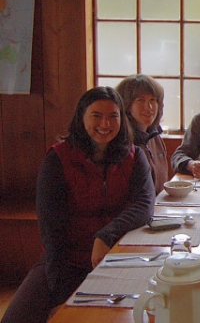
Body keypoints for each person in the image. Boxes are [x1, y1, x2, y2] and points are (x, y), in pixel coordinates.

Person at [2, 87, 155, 323]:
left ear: (121, 120)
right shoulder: (57, 159)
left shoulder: (134, 156)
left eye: (113, 116)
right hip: (65, 260)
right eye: (96, 115)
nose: (105, 123)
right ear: (81, 117)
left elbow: (144, 204)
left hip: (116, 258)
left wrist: (105, 235)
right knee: (16, 318)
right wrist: (59, 295)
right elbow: (52, 234)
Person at [116, 74, 168, 195]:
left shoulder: (155, 135)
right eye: (141, 100)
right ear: (127, 104)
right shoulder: (123, 140)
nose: (149, 107)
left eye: (152, 100)